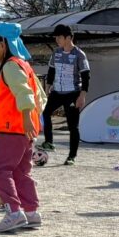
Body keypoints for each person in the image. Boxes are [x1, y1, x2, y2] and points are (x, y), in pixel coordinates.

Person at [0, 23, 44, 233]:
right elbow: (40, 96)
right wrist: (32, 119)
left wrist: (26, 116)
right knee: (20, 172)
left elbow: (24, 92)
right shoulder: (24, 65)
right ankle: (31, 212)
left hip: (12, 129)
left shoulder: (10, 66)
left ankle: (14, 212)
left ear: (2, 44)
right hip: (24, 130)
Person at [41, 23, 89, 166]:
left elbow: (86, 76)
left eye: (59, 37)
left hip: (73, 93)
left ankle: (71, 156)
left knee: (72, 125)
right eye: (55, 37)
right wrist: (48, 87)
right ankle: (49, 141)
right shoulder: (56, 53)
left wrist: (82, 95)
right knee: (45, 112)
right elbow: (51, 71)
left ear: (68, 37)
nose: (57, 40)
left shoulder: (79, 55)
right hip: (57, 91)